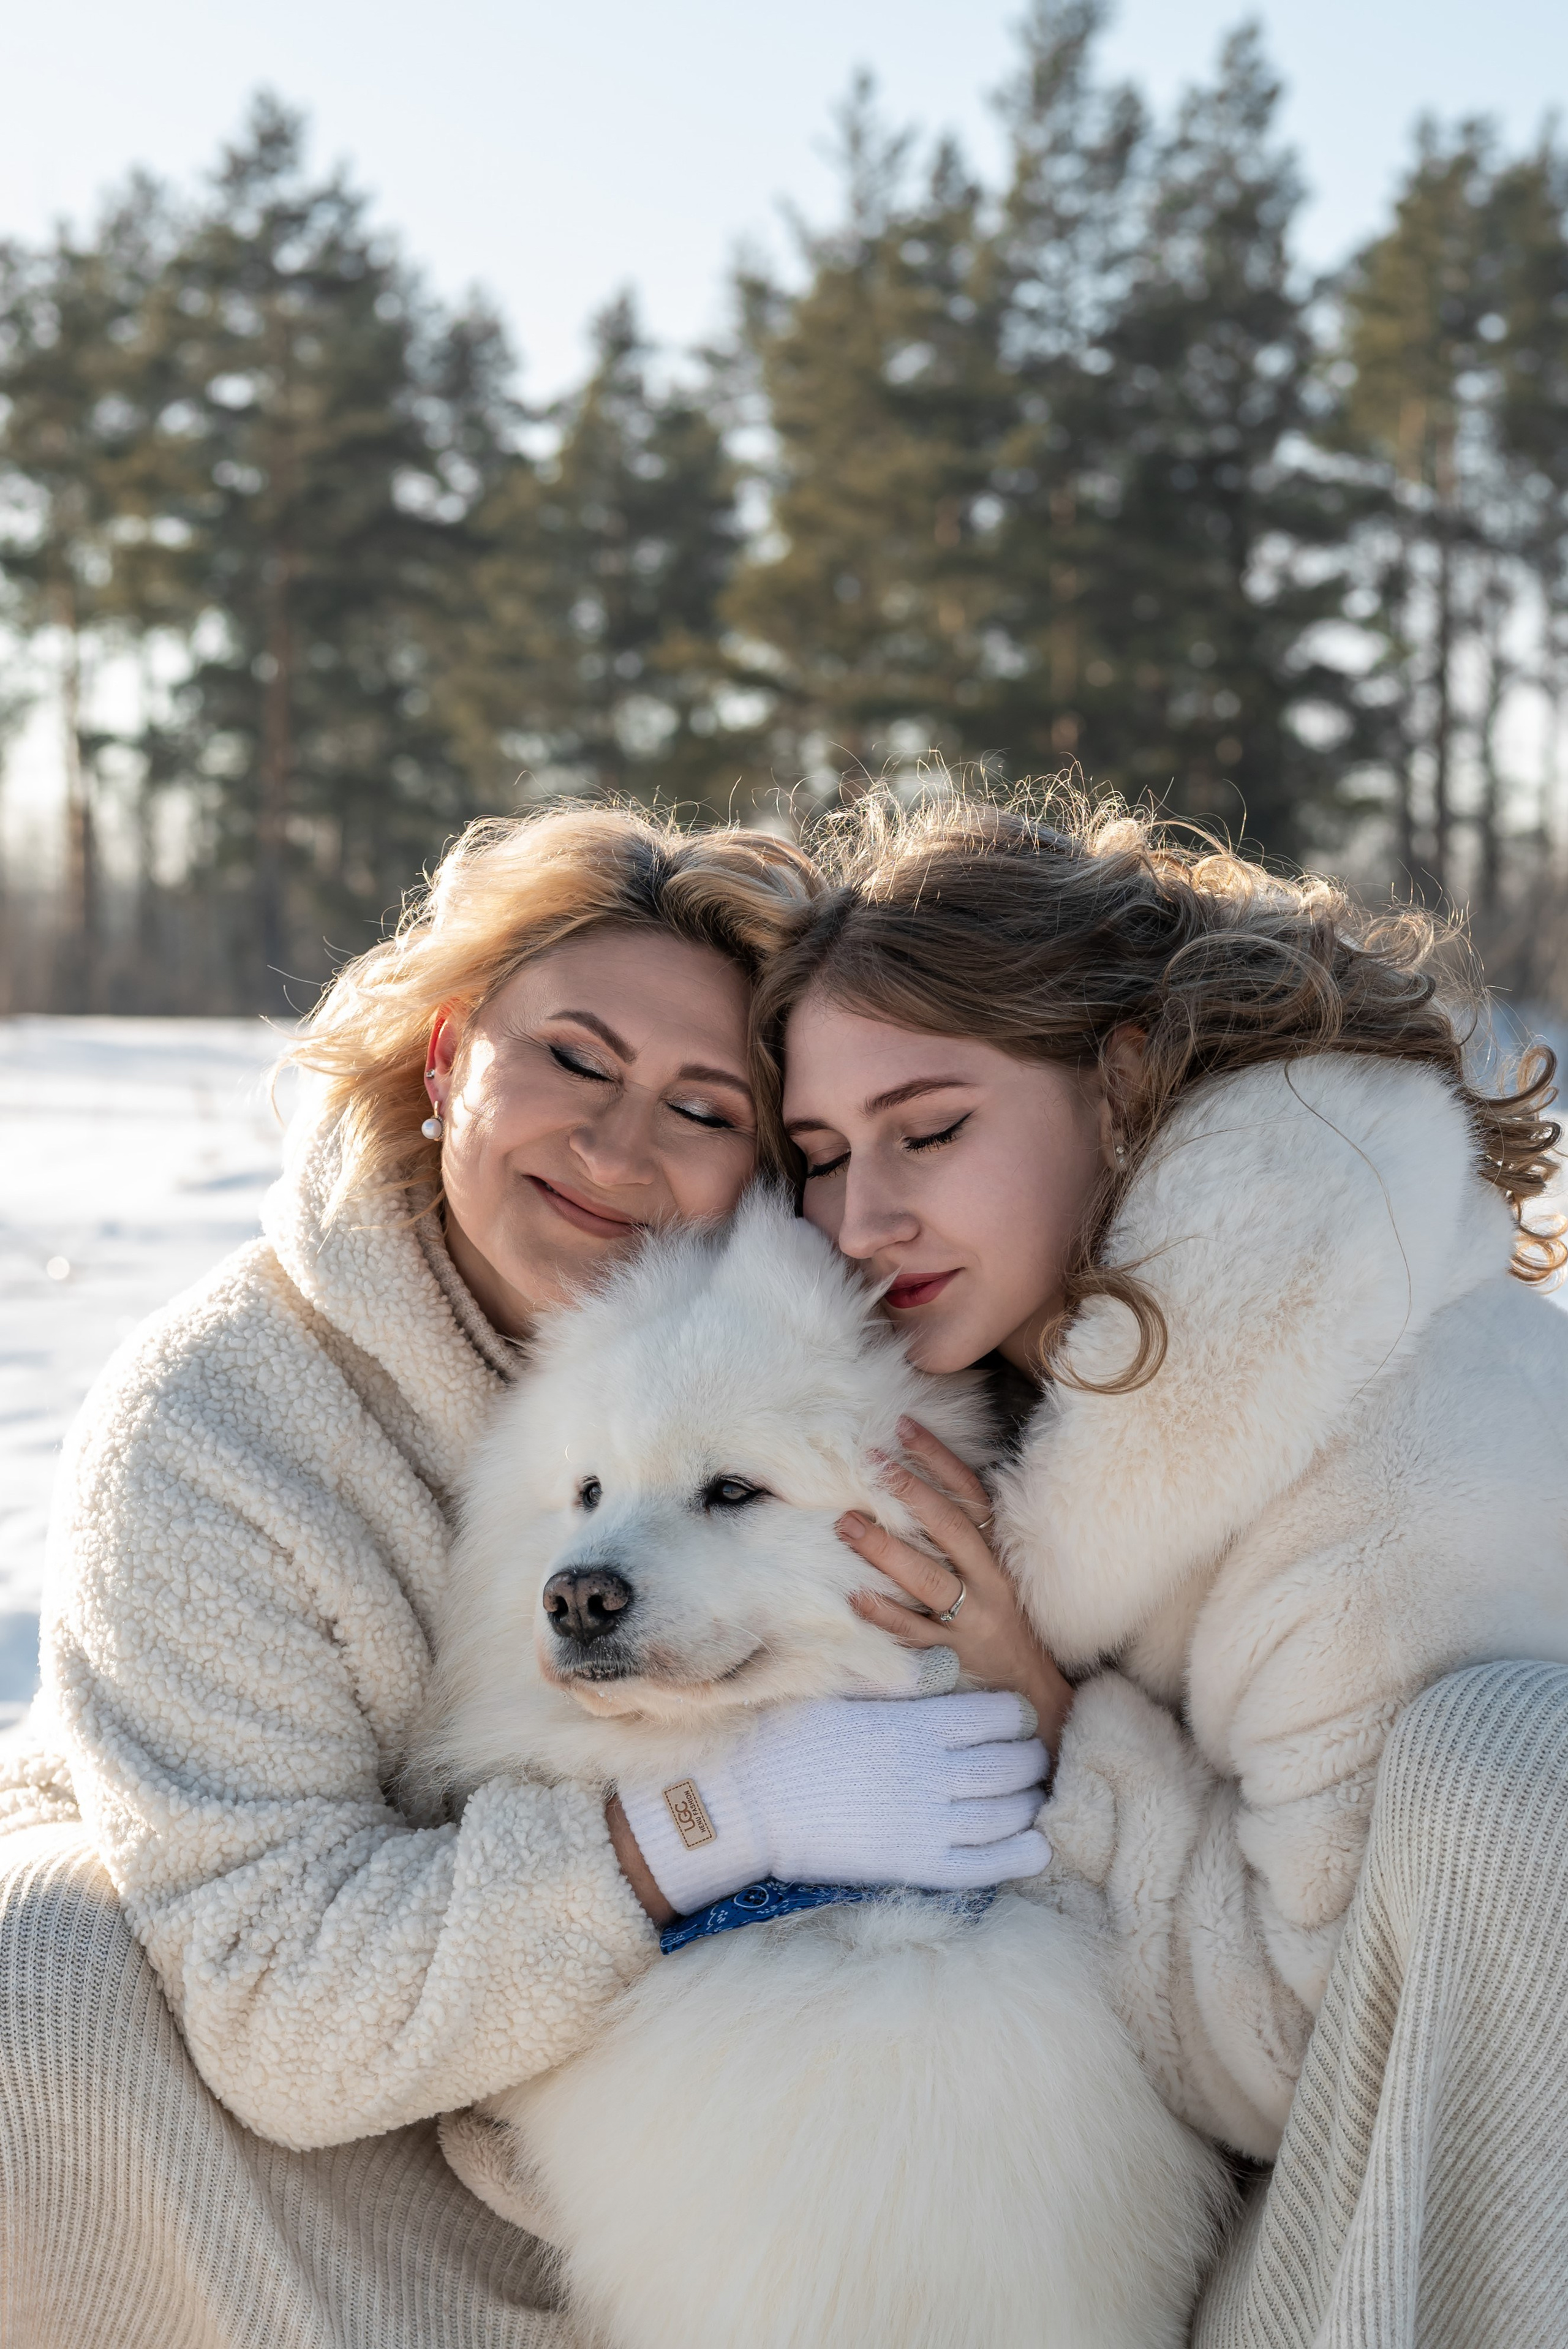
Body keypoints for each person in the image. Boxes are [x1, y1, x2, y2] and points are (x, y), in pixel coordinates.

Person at [0, 804, 1047, 2349]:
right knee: (36, 1955)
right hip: (340, 2174)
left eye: (701, 1108)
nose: (617, 1149)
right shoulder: (217, 1432)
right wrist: (701, 1820)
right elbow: (282, 2007)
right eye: (572, 1059)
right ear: (446, 1064)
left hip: (732, 2142)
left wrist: (1028, 1684)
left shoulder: (869, 1349)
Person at [763, 786, 1568, 2348]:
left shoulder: (1381, 1473)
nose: (857, 1218)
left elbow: (1302, 2051)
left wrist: (1047, 1722)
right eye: (819, 1154)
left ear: (1122, 1083)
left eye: (930, 1130)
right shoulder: (1117, 1350)